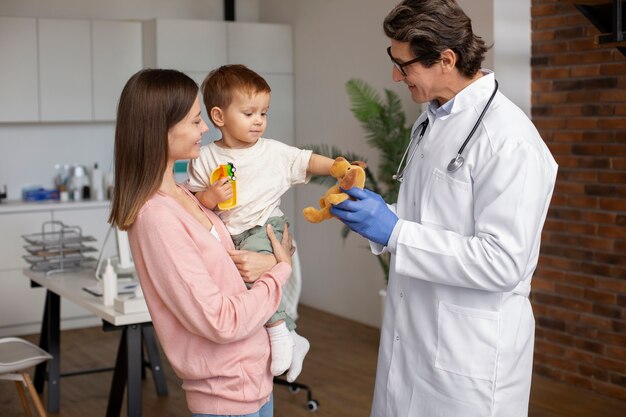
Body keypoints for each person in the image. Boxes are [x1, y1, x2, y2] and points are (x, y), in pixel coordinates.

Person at [330, 1, 558, 416]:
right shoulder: (431, 119)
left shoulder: (510, 140)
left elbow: (503, 261)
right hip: (412, 336)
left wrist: (395, 232)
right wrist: (380, 214)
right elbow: (437, 214)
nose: (395, 76)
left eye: (405, 65)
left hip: (468, 355)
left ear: (447, 59)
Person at [109, 68, 294, 417]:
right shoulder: (158, 218)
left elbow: (249, 259)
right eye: (196, 121)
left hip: (253, 381)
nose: (206, 128)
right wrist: (281, 270)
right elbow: (220, 321)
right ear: (160, 129)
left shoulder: (189, 195)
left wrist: (273, 261)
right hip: (226, 396)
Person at [186, 64, 334, 381]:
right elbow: (199, 202)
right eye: (250, 113)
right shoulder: (205, 157)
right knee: (243, 292)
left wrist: (336, 168)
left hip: (265, 227)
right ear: (219, 117)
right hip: (232, 234)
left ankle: (280, 331)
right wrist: (211, 195)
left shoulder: (272, 152)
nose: (259, 121)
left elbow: (306, 160)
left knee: (255, 277)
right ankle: (294, 337)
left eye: (264, 113)